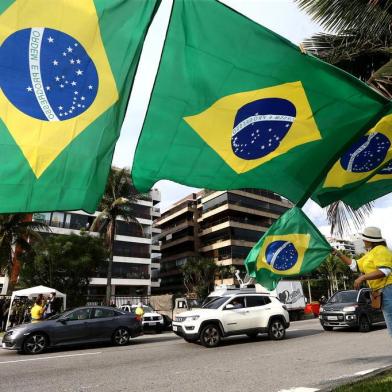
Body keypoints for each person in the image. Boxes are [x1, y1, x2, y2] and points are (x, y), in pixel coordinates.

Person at [333, 226, 392, 336]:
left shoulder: (381, 250)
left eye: (364, 238)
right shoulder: (371, 253)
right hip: (382, 291)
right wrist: (339, 254)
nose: (363, 240)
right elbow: (354, 265)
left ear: (369, 240)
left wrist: (363, 277)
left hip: (388, 289)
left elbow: (385, 270)